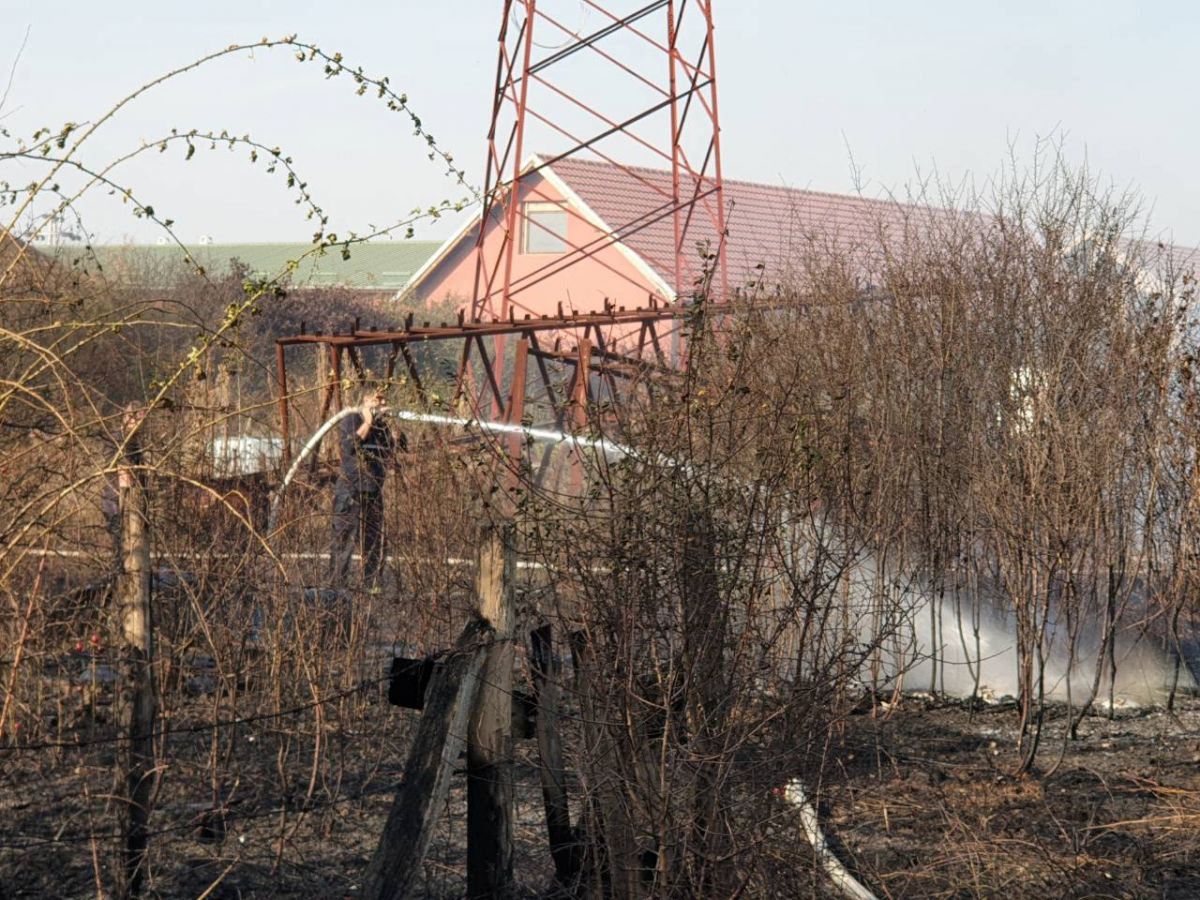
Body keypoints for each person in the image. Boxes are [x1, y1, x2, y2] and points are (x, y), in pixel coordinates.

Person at [329, 389, 403, 590]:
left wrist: (394, 426)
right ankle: (337, 587)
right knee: (344, 540)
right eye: (378, 399)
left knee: (372, 541)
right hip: (350, 491)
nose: (383, 402)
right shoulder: (352, 419)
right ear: (365, 400)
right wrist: (368, 422)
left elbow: (400, 447)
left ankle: (370, 585)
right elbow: (349, 446)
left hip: (373, 491)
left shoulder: (383, 427)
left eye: (384, 399)